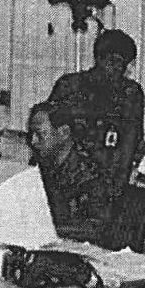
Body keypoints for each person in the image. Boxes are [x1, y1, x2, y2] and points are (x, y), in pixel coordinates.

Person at [49, 29, 145, 196]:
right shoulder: (69, 86)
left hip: (106, 183)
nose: (119, 68)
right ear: (98, 58)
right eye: (113, 61)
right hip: (65, 179)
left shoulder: (130, 93)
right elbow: (48, 134)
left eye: (124, 63)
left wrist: (119, 185)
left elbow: (132, 140)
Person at [27, 101, 110, 243]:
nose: (33, 141)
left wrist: (45, 228)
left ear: (64, 133)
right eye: (32, 134)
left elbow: (96, 228)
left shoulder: (91, 172)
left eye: (40, 134)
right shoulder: (42, 165)